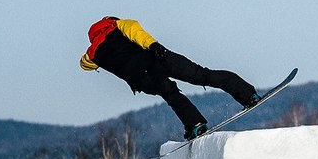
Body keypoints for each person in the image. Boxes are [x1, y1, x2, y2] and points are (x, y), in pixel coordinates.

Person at [80, 16, 260, 140]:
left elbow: (84, 64)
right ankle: (248, 95)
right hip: (158, 59)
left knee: (171, 95)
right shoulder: (119, 25)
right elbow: (136, 32)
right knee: (203, 75)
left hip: (143, 79)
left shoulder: (93, 54)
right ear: (109, 21)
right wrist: (153, 45)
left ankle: (196, 125)